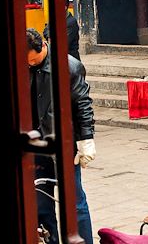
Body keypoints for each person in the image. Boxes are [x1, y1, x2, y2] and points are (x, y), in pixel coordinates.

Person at [27, 28, 96, 244]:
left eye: (35, 61)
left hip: (63, 143)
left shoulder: (69, 66)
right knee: (41, 202)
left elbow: (83, 104)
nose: (31, 65)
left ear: (43, 48)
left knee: (74, 202)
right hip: (34, 144)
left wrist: (86, 140)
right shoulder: (20, 64)